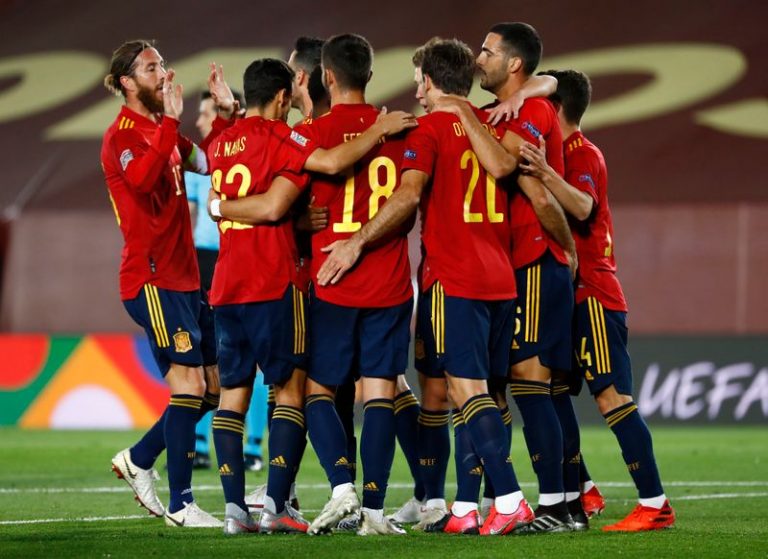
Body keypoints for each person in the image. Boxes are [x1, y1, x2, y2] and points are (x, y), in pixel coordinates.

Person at [318, 38, 534, 537]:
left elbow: (408, 195)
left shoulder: (430, 128)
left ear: (432, 82)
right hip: (500, 279)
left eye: (419, 82)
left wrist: (356, 240)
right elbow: (505, 166)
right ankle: (463, 506)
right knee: (475, 393)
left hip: (454, 278)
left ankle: (509, 499)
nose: (416, 92)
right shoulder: (490, 124)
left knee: (464, 390)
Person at [204, 58, 416, 535]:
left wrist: (220, 199)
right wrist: (379, 129)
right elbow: (325, 167)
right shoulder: (286, 137)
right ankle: (277, 505)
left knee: (232, 395)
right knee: (292, 392)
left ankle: (235, 511)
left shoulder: (220, 142)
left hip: (225, 286)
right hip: (273, 283)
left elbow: (223, 162)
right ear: (283, 97)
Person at [432, 22, 578, 532]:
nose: (479, 59)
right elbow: (549, 80)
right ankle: (482, 503)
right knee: (495, 390)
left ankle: (557, 504)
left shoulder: (531, 111)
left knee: (531, 384)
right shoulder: (505, 108)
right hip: (505, 265)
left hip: (533, 257)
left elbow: (536, 194)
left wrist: (565, 248)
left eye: (487, 51)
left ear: (514, 64)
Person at [515, 68, 675, 532]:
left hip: (593, 294)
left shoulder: (579, 152)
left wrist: (545, 171)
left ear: (555, 108)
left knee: (611, 397)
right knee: (553, 390)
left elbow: (583, 207)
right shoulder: (558, 152)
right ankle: (581, 491)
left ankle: (655, 503)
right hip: (566, 295)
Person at [101, 39, 227, 528]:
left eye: (163, 65)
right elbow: (141, 181)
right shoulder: (122, 136)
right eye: (151, 68)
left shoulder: (163, 131)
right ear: (127, 82)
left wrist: (228, 118)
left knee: (210, 390)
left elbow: (211, 163)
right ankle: (181, 505)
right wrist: (171, 124)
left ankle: (138, 458)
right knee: (189, 388)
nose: (164, 74)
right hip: (151, 278)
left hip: (187, 279)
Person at [293, 33, 413, 537]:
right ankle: (376, 513)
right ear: (370, 75)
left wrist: (302, 222)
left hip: (331, 280)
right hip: (389, 281)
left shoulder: (310, 132)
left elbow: (283, 205)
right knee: (380, 392)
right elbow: (409, 204)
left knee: (319, 389)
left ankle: (341, 486)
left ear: (327, 76)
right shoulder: (401, 129)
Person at [185, 91, 269, 473]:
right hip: (211, 259)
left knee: (242, 356)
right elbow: (191, 216)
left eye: (207, 113)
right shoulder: (201, 161)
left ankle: (251, 446)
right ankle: (204, 444)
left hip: (231, 256)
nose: (200, 120)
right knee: (213, 354)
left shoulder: (233, 151)